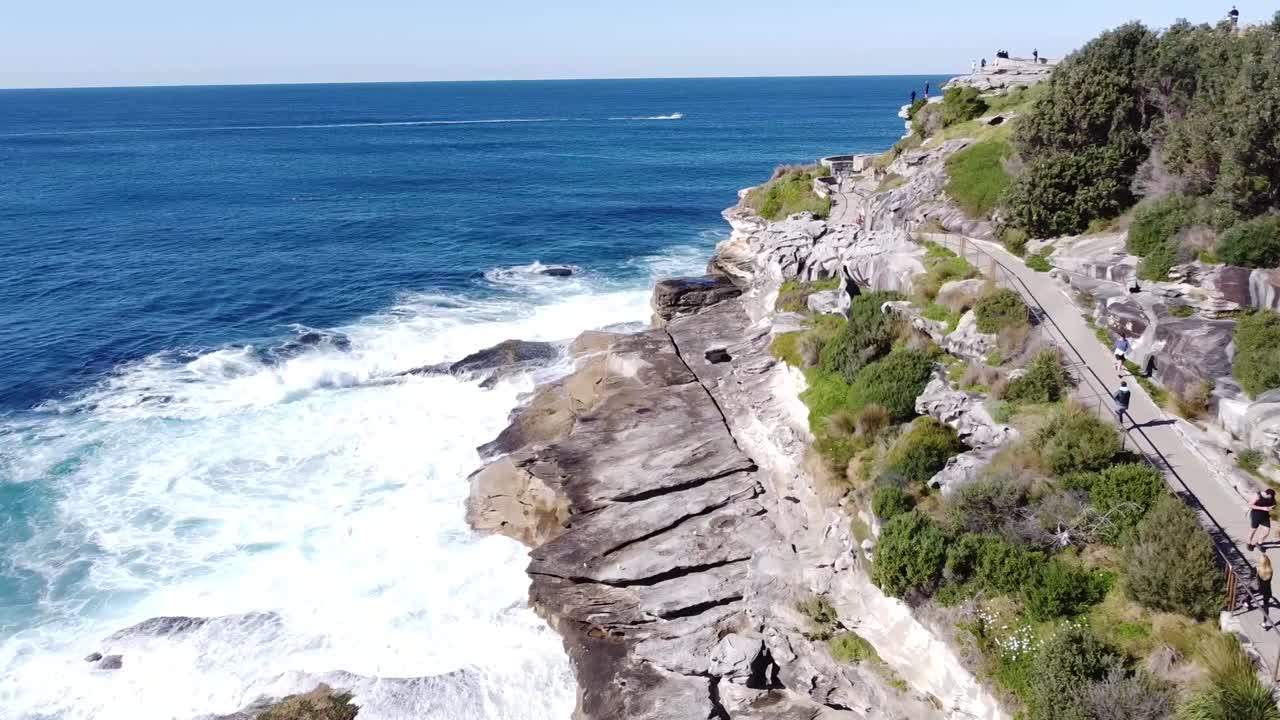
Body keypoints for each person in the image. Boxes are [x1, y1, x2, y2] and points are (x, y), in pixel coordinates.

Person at [1259, 552, 1275, 629]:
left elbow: (1257, 581)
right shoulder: (1270, 571)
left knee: (1251, 590)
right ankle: (1264, 622)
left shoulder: (1259, 570)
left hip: (1259, 589)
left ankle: (1247, 602)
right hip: (1267, 590)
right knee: (1266, 605)